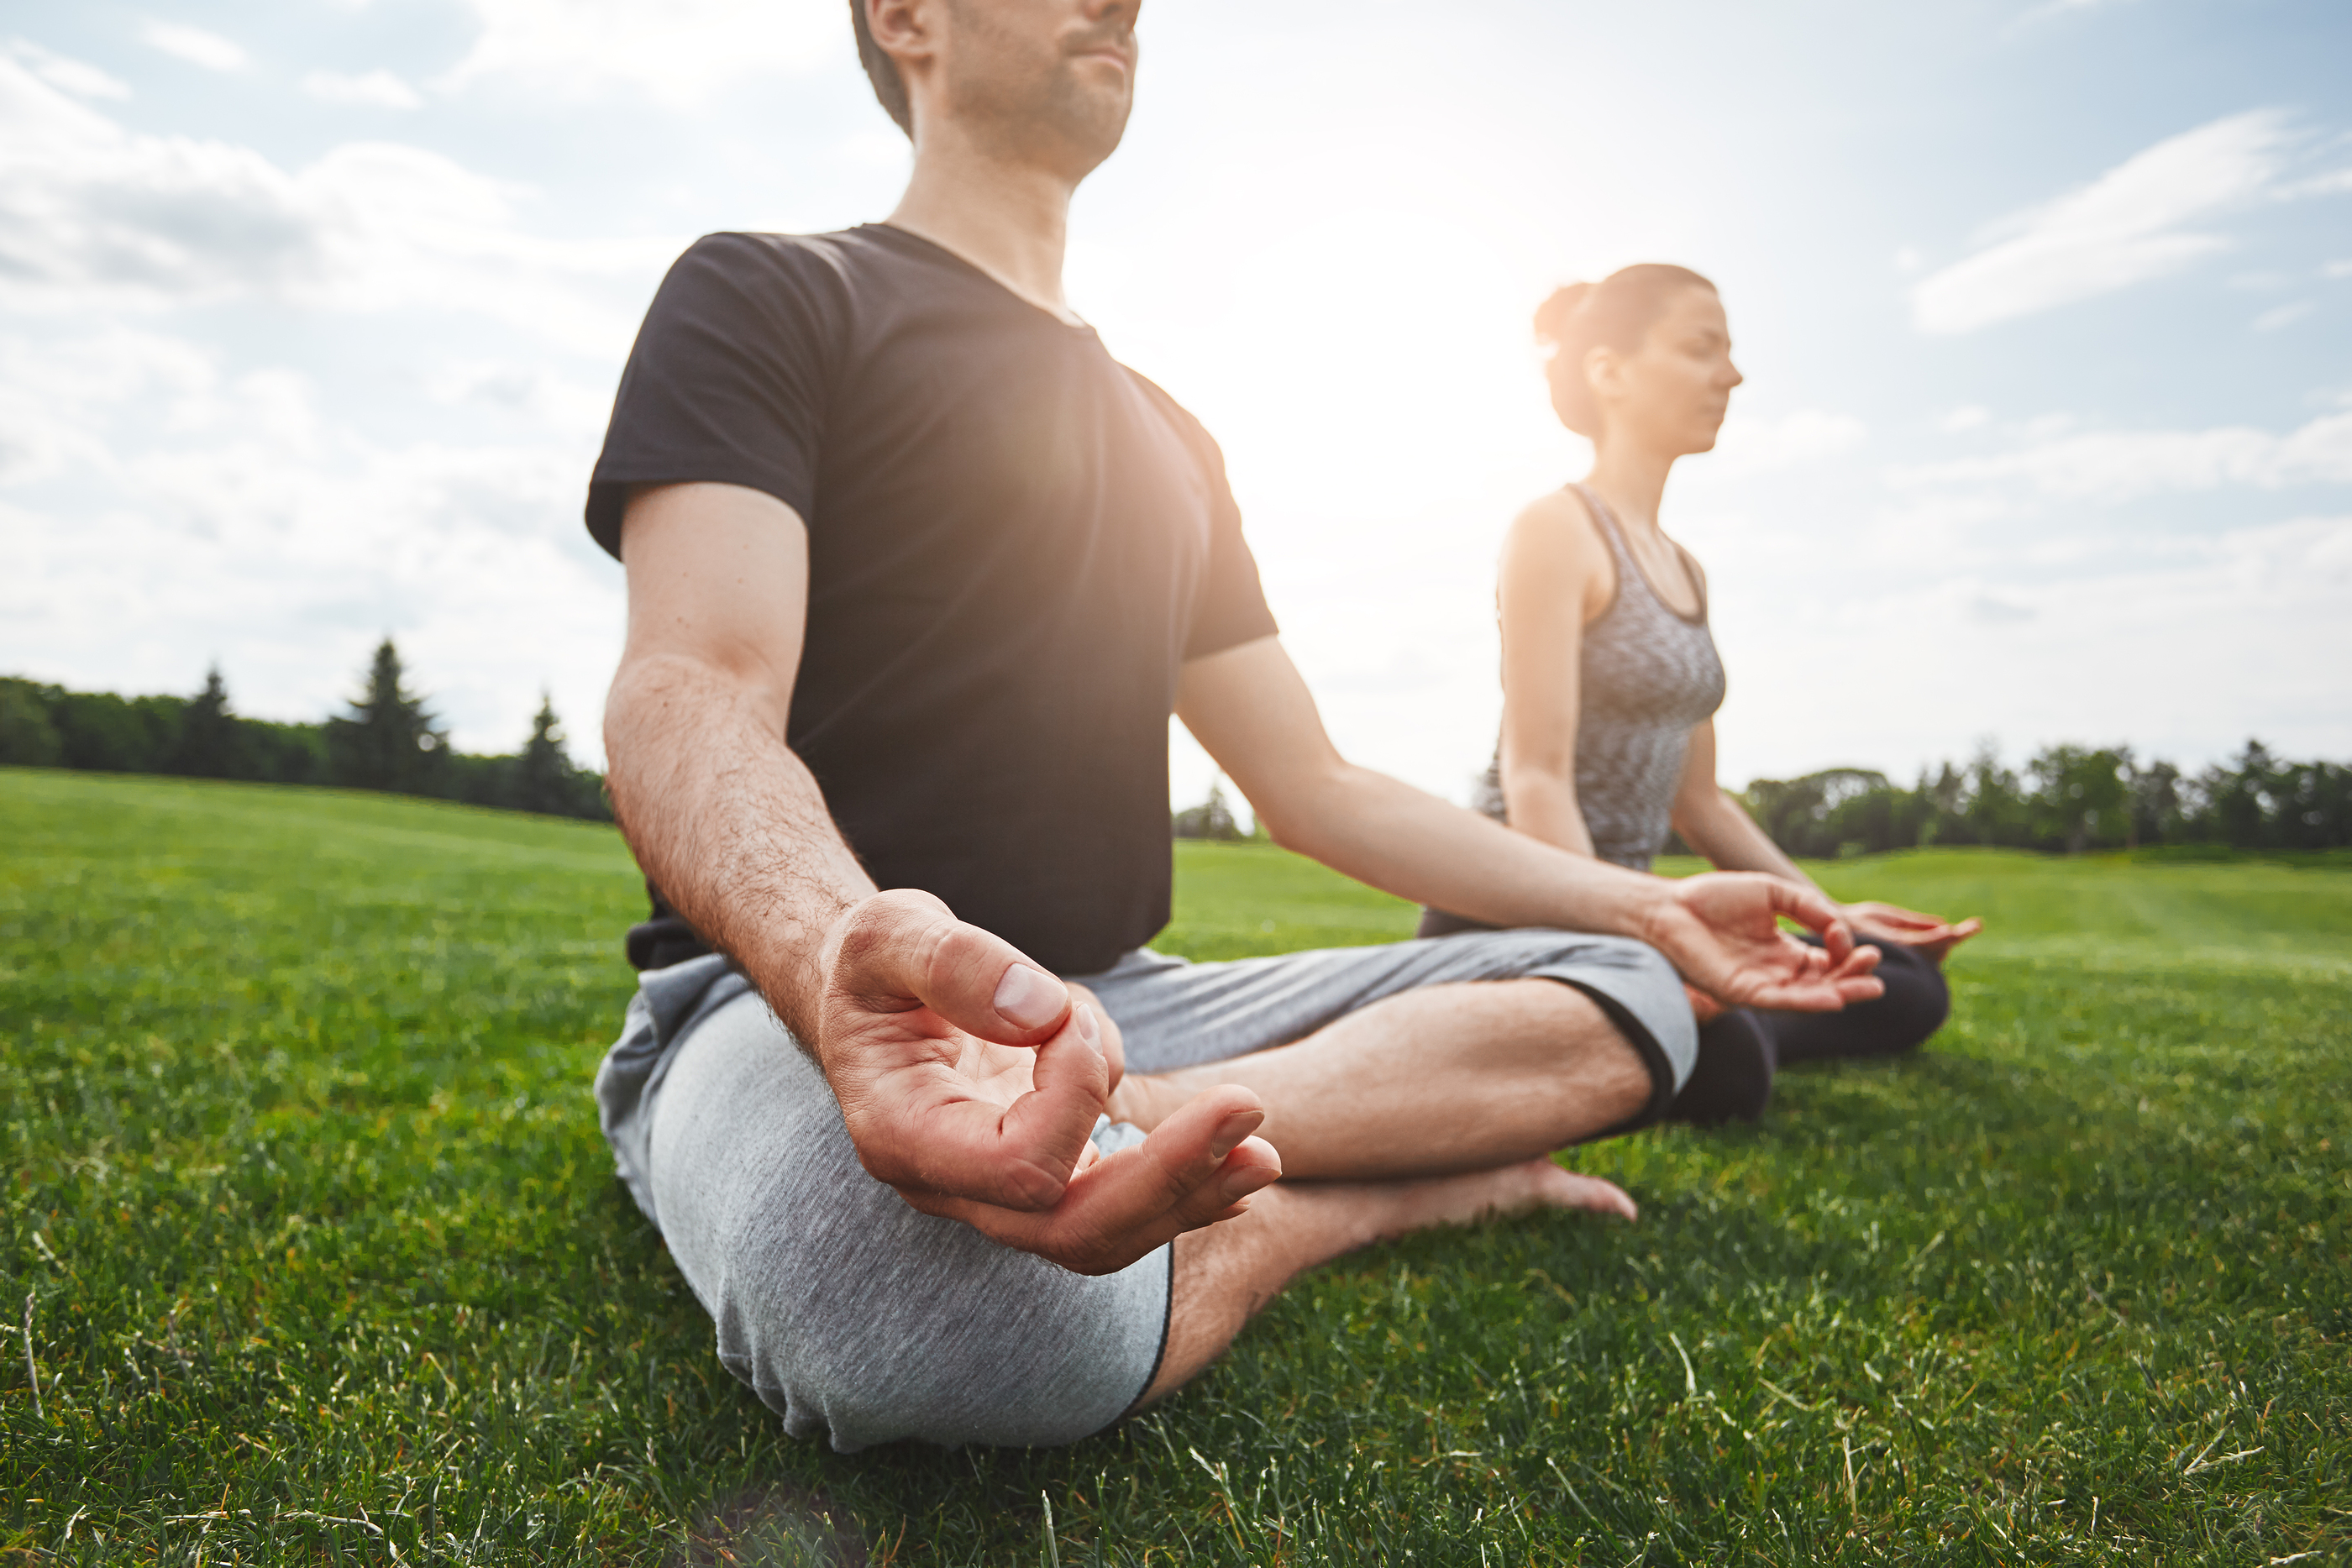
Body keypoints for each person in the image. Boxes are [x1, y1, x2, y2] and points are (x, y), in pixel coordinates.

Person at [586, 0, 1882, 1453]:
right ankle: (1385, 1190)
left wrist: (1651, 905)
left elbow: (1312, 781)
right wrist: (837, 959)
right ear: (906, 18)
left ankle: (1140, 1111)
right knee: (951, 1325)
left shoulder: (1169, 435)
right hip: (775, 1000)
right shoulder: (767, 294)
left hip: (1133, 1004)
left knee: (1641, 987)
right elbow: (688, 690)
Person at [1418, 265, 1979, 1122]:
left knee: (1902, 980)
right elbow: (1534, 777)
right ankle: (1696, 1018)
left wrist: (1831, 920)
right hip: (1522, 917)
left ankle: (1722, 1009)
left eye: (1730, 352)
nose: (1732, 375)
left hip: (1641, 916)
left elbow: (1701, 803)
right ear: (1609, 371)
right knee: (1734, 1067)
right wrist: (1631, 940)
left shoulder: (1686, 571)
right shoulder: (1554, 530)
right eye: (1700, 348)